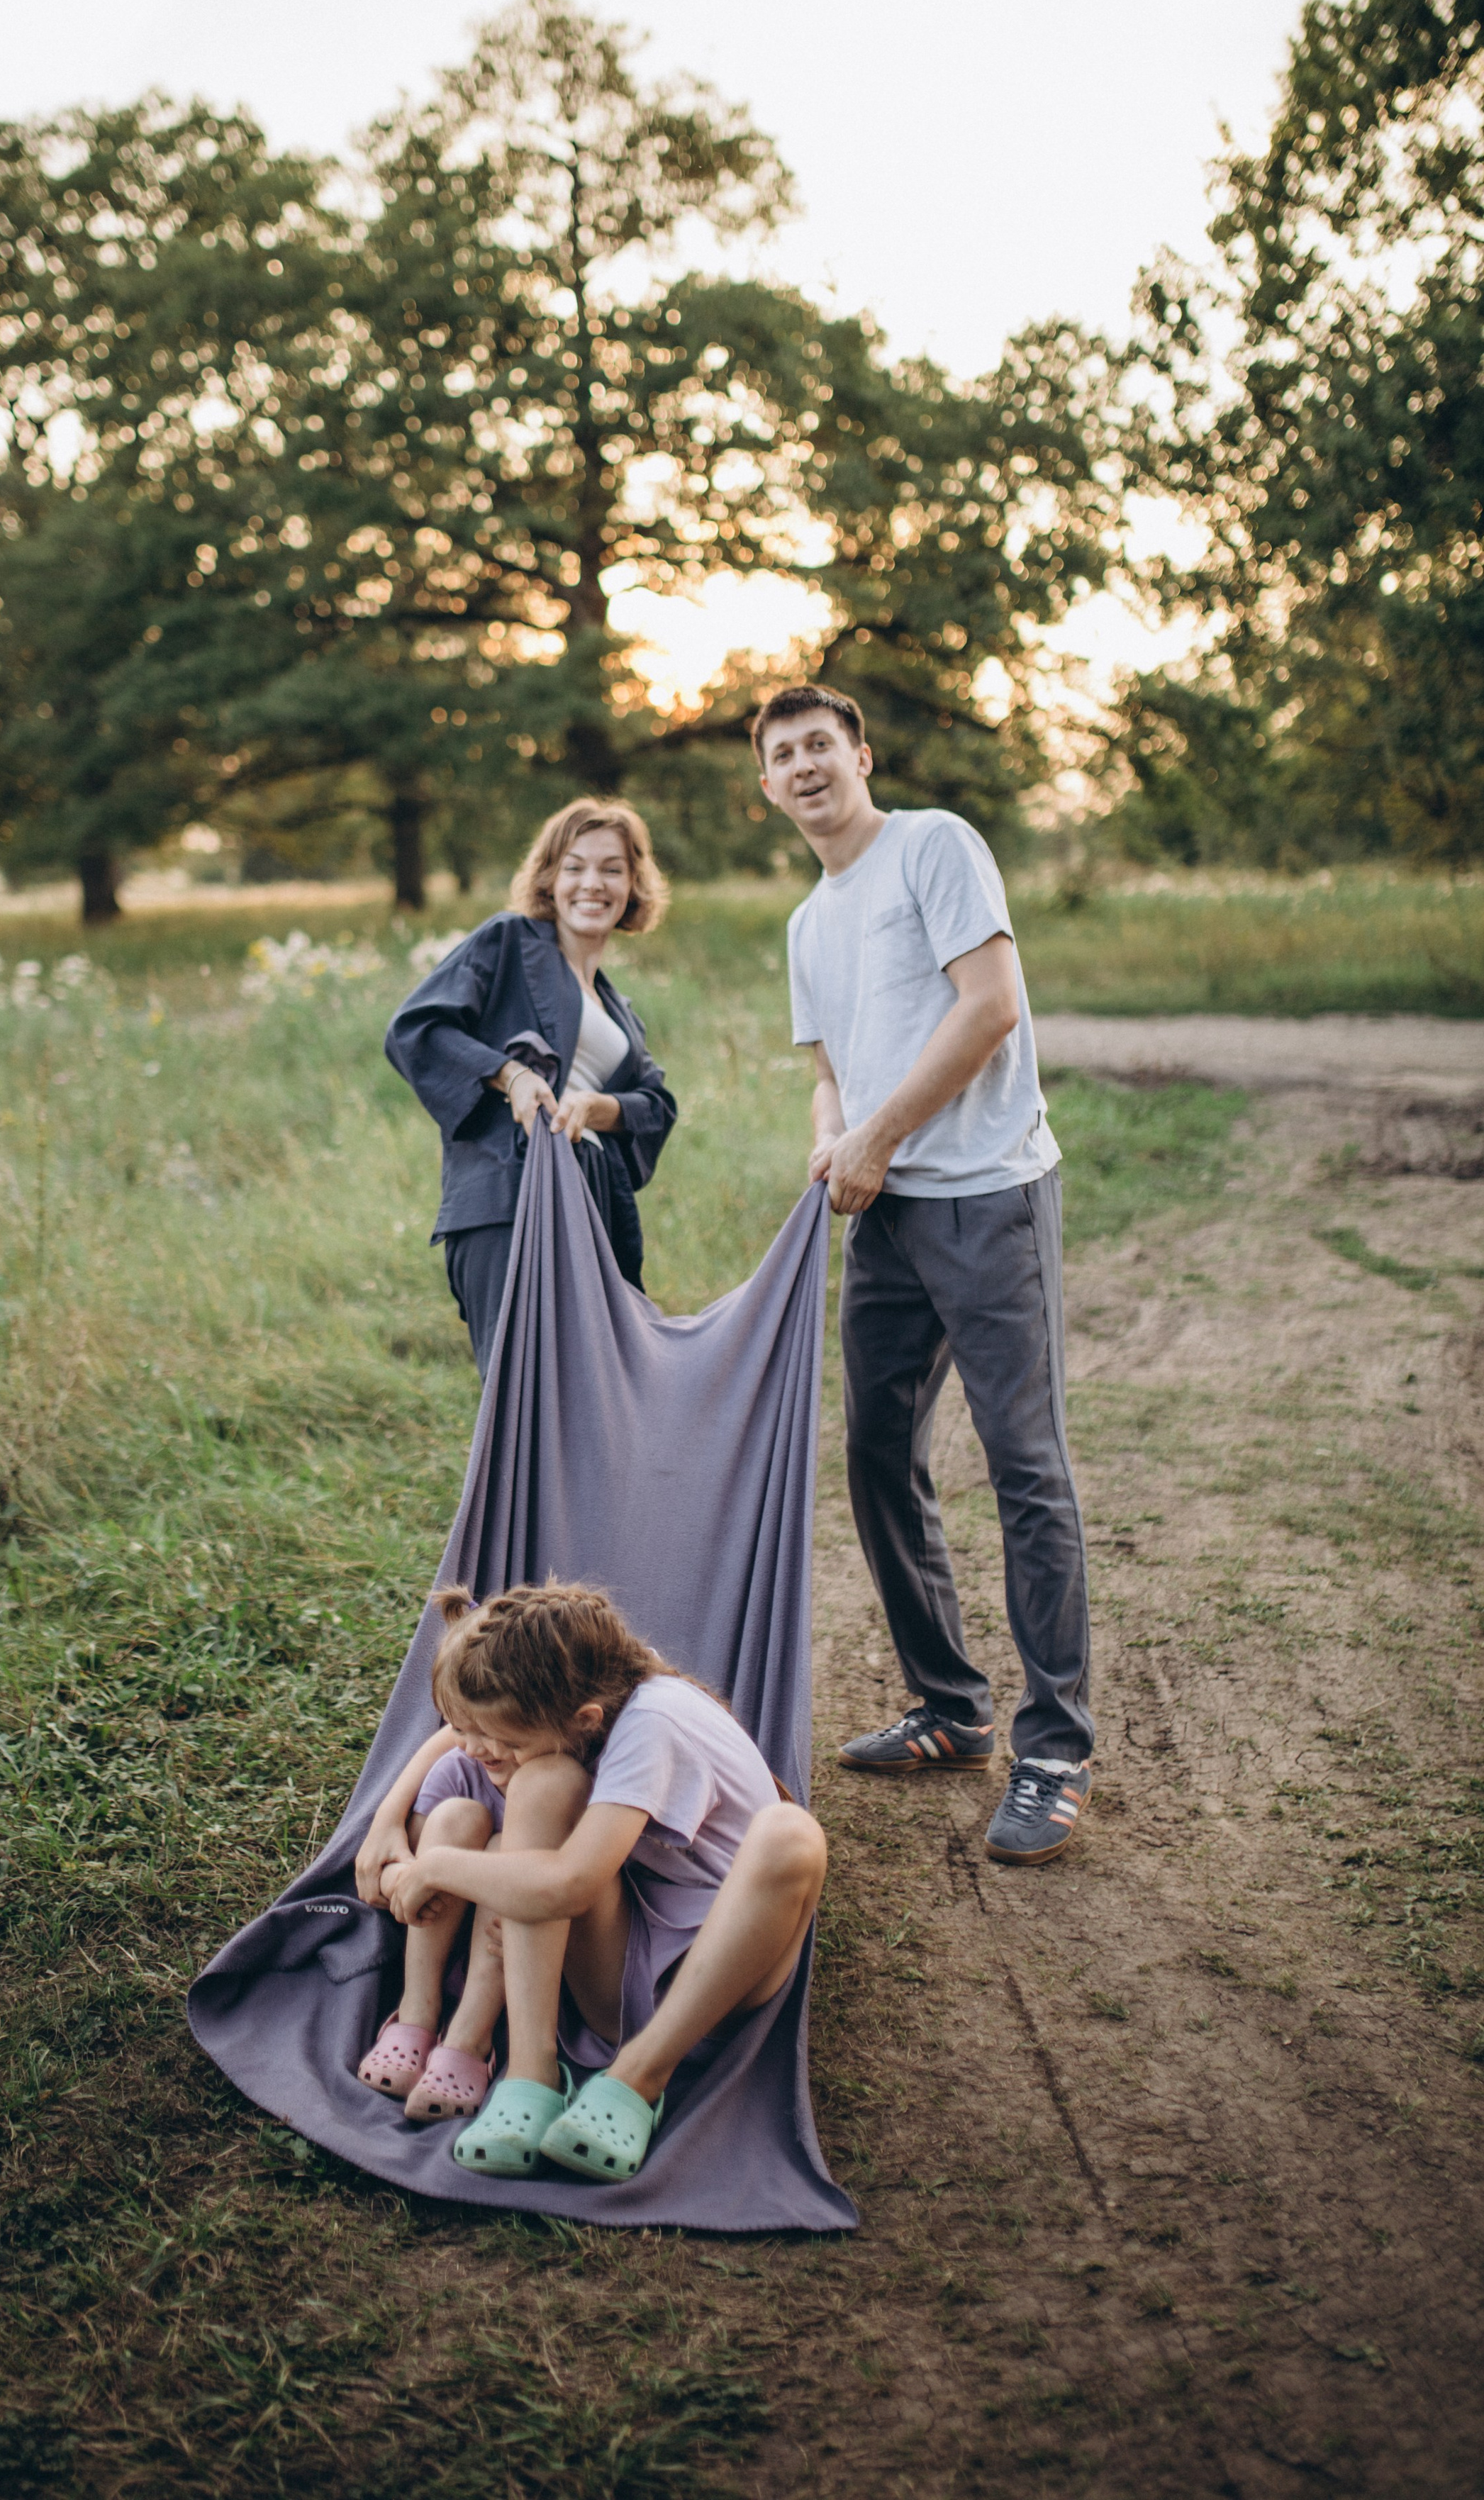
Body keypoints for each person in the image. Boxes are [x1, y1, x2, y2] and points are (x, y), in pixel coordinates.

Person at [754, 683, 1094, 1867]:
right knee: (875, 1457)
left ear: (859, 754)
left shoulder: (932, 846)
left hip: (987, 1196)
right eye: (782, 755)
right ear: (767, 786)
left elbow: (991, 1007)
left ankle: (1055, 1752)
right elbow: (831, 1067)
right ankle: (953, 1713)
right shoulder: (808, 922)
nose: (803, 767)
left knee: (1024, 1466)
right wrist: (836, 1129)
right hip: (887, 1217)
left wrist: (879, 1136)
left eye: (819, 746)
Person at [355, 1581, 827, 2184]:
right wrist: (387, 1815)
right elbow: (470, 1728)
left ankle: (638, 2079)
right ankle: (531, 2074)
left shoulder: (654, 1722)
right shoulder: (601, 1682)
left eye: (508, 1741)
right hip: (619, 1974)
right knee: (542, 1783)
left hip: (719, 1984)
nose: (483, 1750)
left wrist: (434, 1867)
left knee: (793, 1833)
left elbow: (571, 1886)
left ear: (584, 1720)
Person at [384, 803, 679, 1376]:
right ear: (548, 878)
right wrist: (510, 1074)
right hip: (510, 1197)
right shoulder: (510, 942)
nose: (593, 883)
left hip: (593, 1208)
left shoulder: (618, 1008)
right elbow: (415, 1029)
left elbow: (658, 1105)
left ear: (634, 884)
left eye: (612, 869)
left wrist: (599, 1108)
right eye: (574, 867)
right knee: (525, 1404)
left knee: (595, 1400)